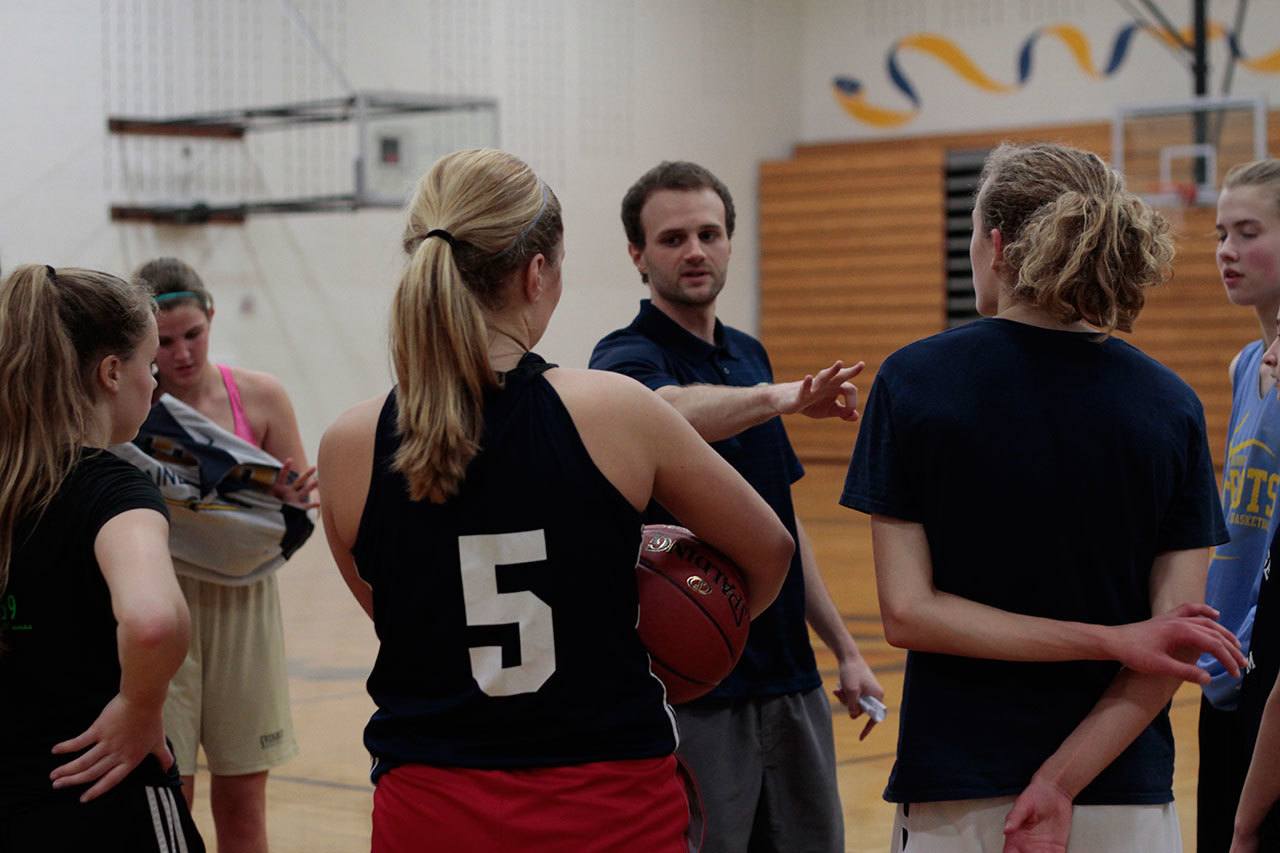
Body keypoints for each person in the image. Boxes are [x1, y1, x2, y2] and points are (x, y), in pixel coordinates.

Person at [317, 148, 793, 853]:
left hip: (430, 808)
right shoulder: (616, 412)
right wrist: (691, 637)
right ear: (536, 272)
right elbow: (770, 551)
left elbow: (391, 614)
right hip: (609, 808)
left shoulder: (349, 443)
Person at [841, 142, 1248, 852]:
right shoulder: (1172, 404)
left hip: (958, 791)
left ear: (995, 246)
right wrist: (1061, 779)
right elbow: (1172, 644)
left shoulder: (914, 382)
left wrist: (1110, 643)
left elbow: (909, 612)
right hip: (1120, 790)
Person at [589, 160, 883, 853]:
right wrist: (779, 398)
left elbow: (781, 521)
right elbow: (663, 411)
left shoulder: (748, 354)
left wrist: (843, 649)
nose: (694, 250)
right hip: (696, 688)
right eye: (672, 238)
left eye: (709, 233)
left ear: (728, 241)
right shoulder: (624, 359)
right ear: (637, 253)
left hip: (789, 677)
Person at [0, 264, 204, 851]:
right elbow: (152, 621)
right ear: (112, 373)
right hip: (102, 797)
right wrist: (142, 706)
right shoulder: (113, 489)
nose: (155, 383)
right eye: (150, 366)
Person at [133, 257, 316, 853]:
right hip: (164, 603)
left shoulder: (262, 396)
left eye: (193, 334)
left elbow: (298, 507)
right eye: (163, 342)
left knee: (242, 800)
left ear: (211, 317)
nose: (181, 353)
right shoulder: (127, 408)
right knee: (171, 794)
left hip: (246, 603)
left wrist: (293, 495)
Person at [1201, 158, 1280, 853]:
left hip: (1269, 668)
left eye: (1247, 231)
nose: (1226, 249)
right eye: (1221, 231)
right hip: (1224, 662)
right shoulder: (1244, 365)